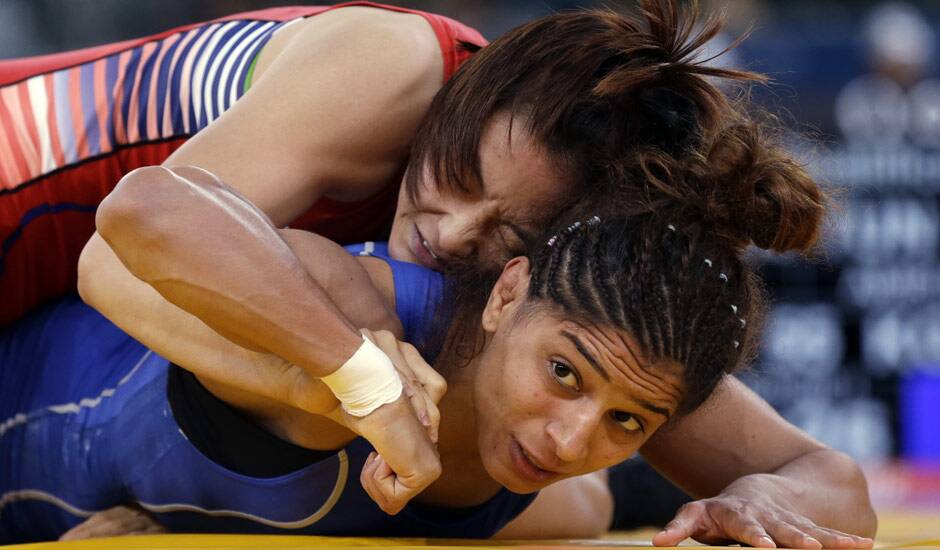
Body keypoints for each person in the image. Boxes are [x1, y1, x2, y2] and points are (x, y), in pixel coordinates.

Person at [62, 122, 876, 548]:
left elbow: (837, 486)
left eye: (627, 422)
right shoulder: (362, 305)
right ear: (506, 293)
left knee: (577, 497)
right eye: (561, 373)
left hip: (447, 475)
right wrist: (358, 379)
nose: (571, 433)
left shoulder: (626, 363)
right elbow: (144, 210)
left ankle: (639, 484)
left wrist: (762, 495)